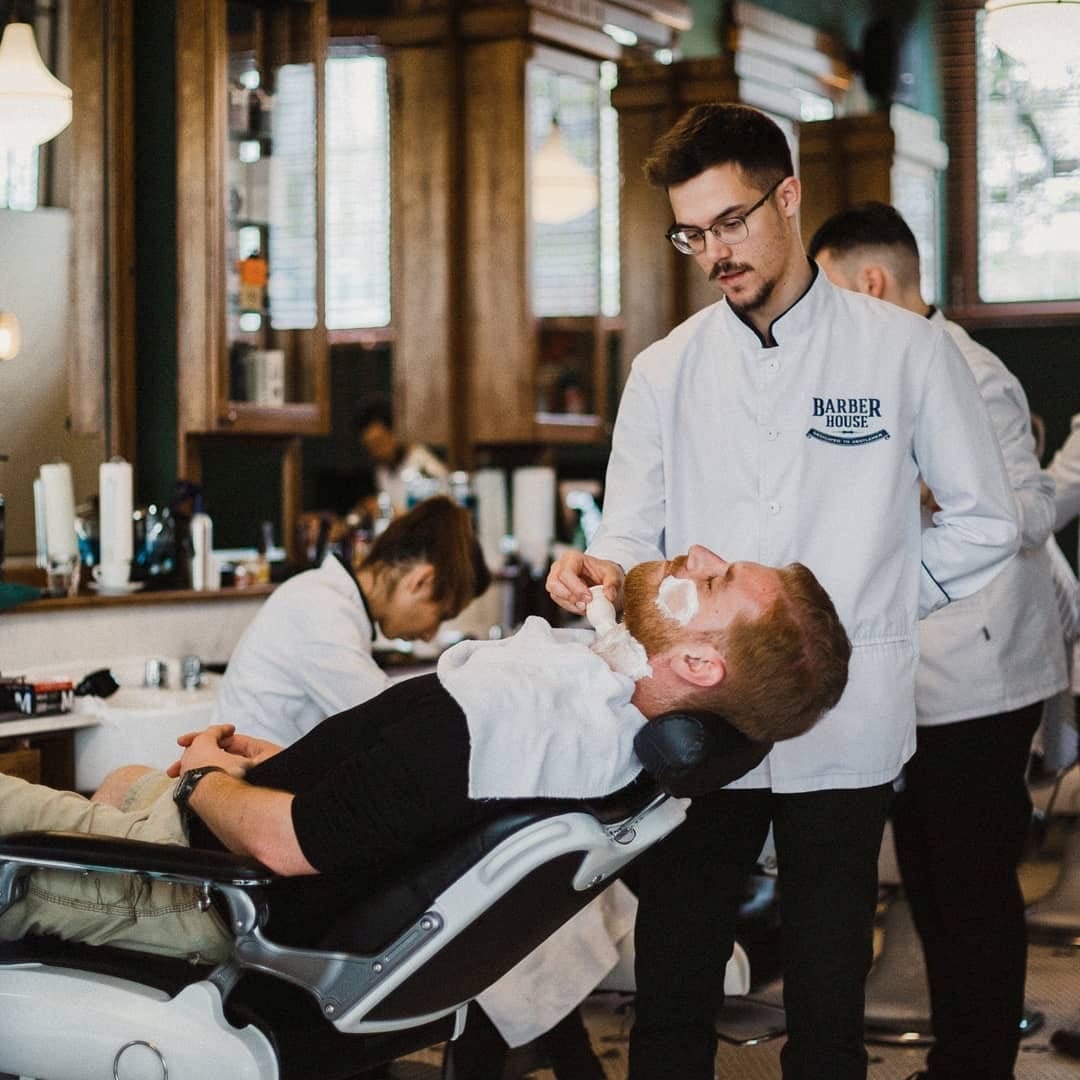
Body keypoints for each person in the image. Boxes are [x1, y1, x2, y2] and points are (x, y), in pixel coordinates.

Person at [545, 103, 1020, 1080]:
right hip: (701, 712)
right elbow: (630, 532)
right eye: (692, 234)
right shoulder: (664, 370)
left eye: (731, 221)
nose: (714, 252)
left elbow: (986, 522)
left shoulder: (905, 351)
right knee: (675, 971)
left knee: (829, 984)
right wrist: (601, 567)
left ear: (790, 196)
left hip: (844, 713)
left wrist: (864, 614)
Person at [0, 546, 850, 969]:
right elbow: (396, 799)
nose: (697, 555)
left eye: (716, 579)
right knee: (120, 779)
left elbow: (285, 844)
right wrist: (290, 762)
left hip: (191, 883)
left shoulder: (504, 721)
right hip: (222, 850)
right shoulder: (602, 735)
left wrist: (205, 777)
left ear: (699, 666)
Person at [808, 200, 1067, 1080]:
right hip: (917, 667)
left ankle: (978, 1065)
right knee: (927, 874)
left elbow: (1027, 509)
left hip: (983, 671)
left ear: (874, 282)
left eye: (831, 292)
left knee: (972, 884)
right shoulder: (877, 369)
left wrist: (939, 490)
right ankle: (958, 1059)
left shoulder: (971, 371)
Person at [212, 496, 490, 745]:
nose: (430, 635)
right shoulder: (320, 607)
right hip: (241, 779)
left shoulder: (331, 600)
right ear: (421, 581)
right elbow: (390, 723)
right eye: (441, 615)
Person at [355, 396, 448, 516]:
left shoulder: (426, 469)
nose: (376, 452)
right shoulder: (383, 470)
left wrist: (386, 511)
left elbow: (429, 520)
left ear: (398, 433)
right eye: (370, 447)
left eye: (379, 442)